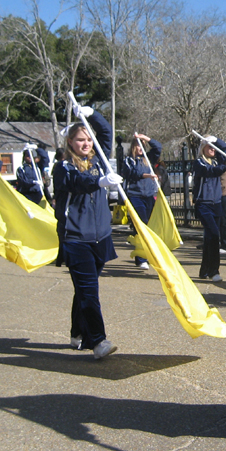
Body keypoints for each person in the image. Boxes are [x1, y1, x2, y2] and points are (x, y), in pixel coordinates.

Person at [53, 105, 122, 359]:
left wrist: (91, 113)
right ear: (70, 142)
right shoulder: (63, 168)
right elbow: (77, 184)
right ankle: (98, 341)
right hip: (76, 239)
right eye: (80, 139)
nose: (86, 143)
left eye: (88, 138)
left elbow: (106, 132)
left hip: (100, 238)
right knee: (89, 291)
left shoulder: (98, 160)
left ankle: (77, 332)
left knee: (84, 291)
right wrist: (99, 181)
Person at [192, 136, 226, 281]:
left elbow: (224, 149)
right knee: (214, 235)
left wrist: (216, 139)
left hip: (216, 203)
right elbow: (210, 171)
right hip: (203, 204)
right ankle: (214, 271)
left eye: (214, 147)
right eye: (209, 146)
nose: (213, 149)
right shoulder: (199, 163)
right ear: (203, 148)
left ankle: (204, 270)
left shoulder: (216, 160)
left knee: (209, 238)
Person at [120, 133, 162, 270]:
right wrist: (146, 175)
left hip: (149, 195)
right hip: (135, 196)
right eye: (137, 145)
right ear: (133, 147)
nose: (140, 148)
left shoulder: (147, 159)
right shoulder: (128, 160)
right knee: (141, 225)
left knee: (149, 226)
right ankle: (141, 258)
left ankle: (147, 255)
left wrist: (146, 138)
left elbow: (158, 148)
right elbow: (130, 173)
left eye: (142, 145)